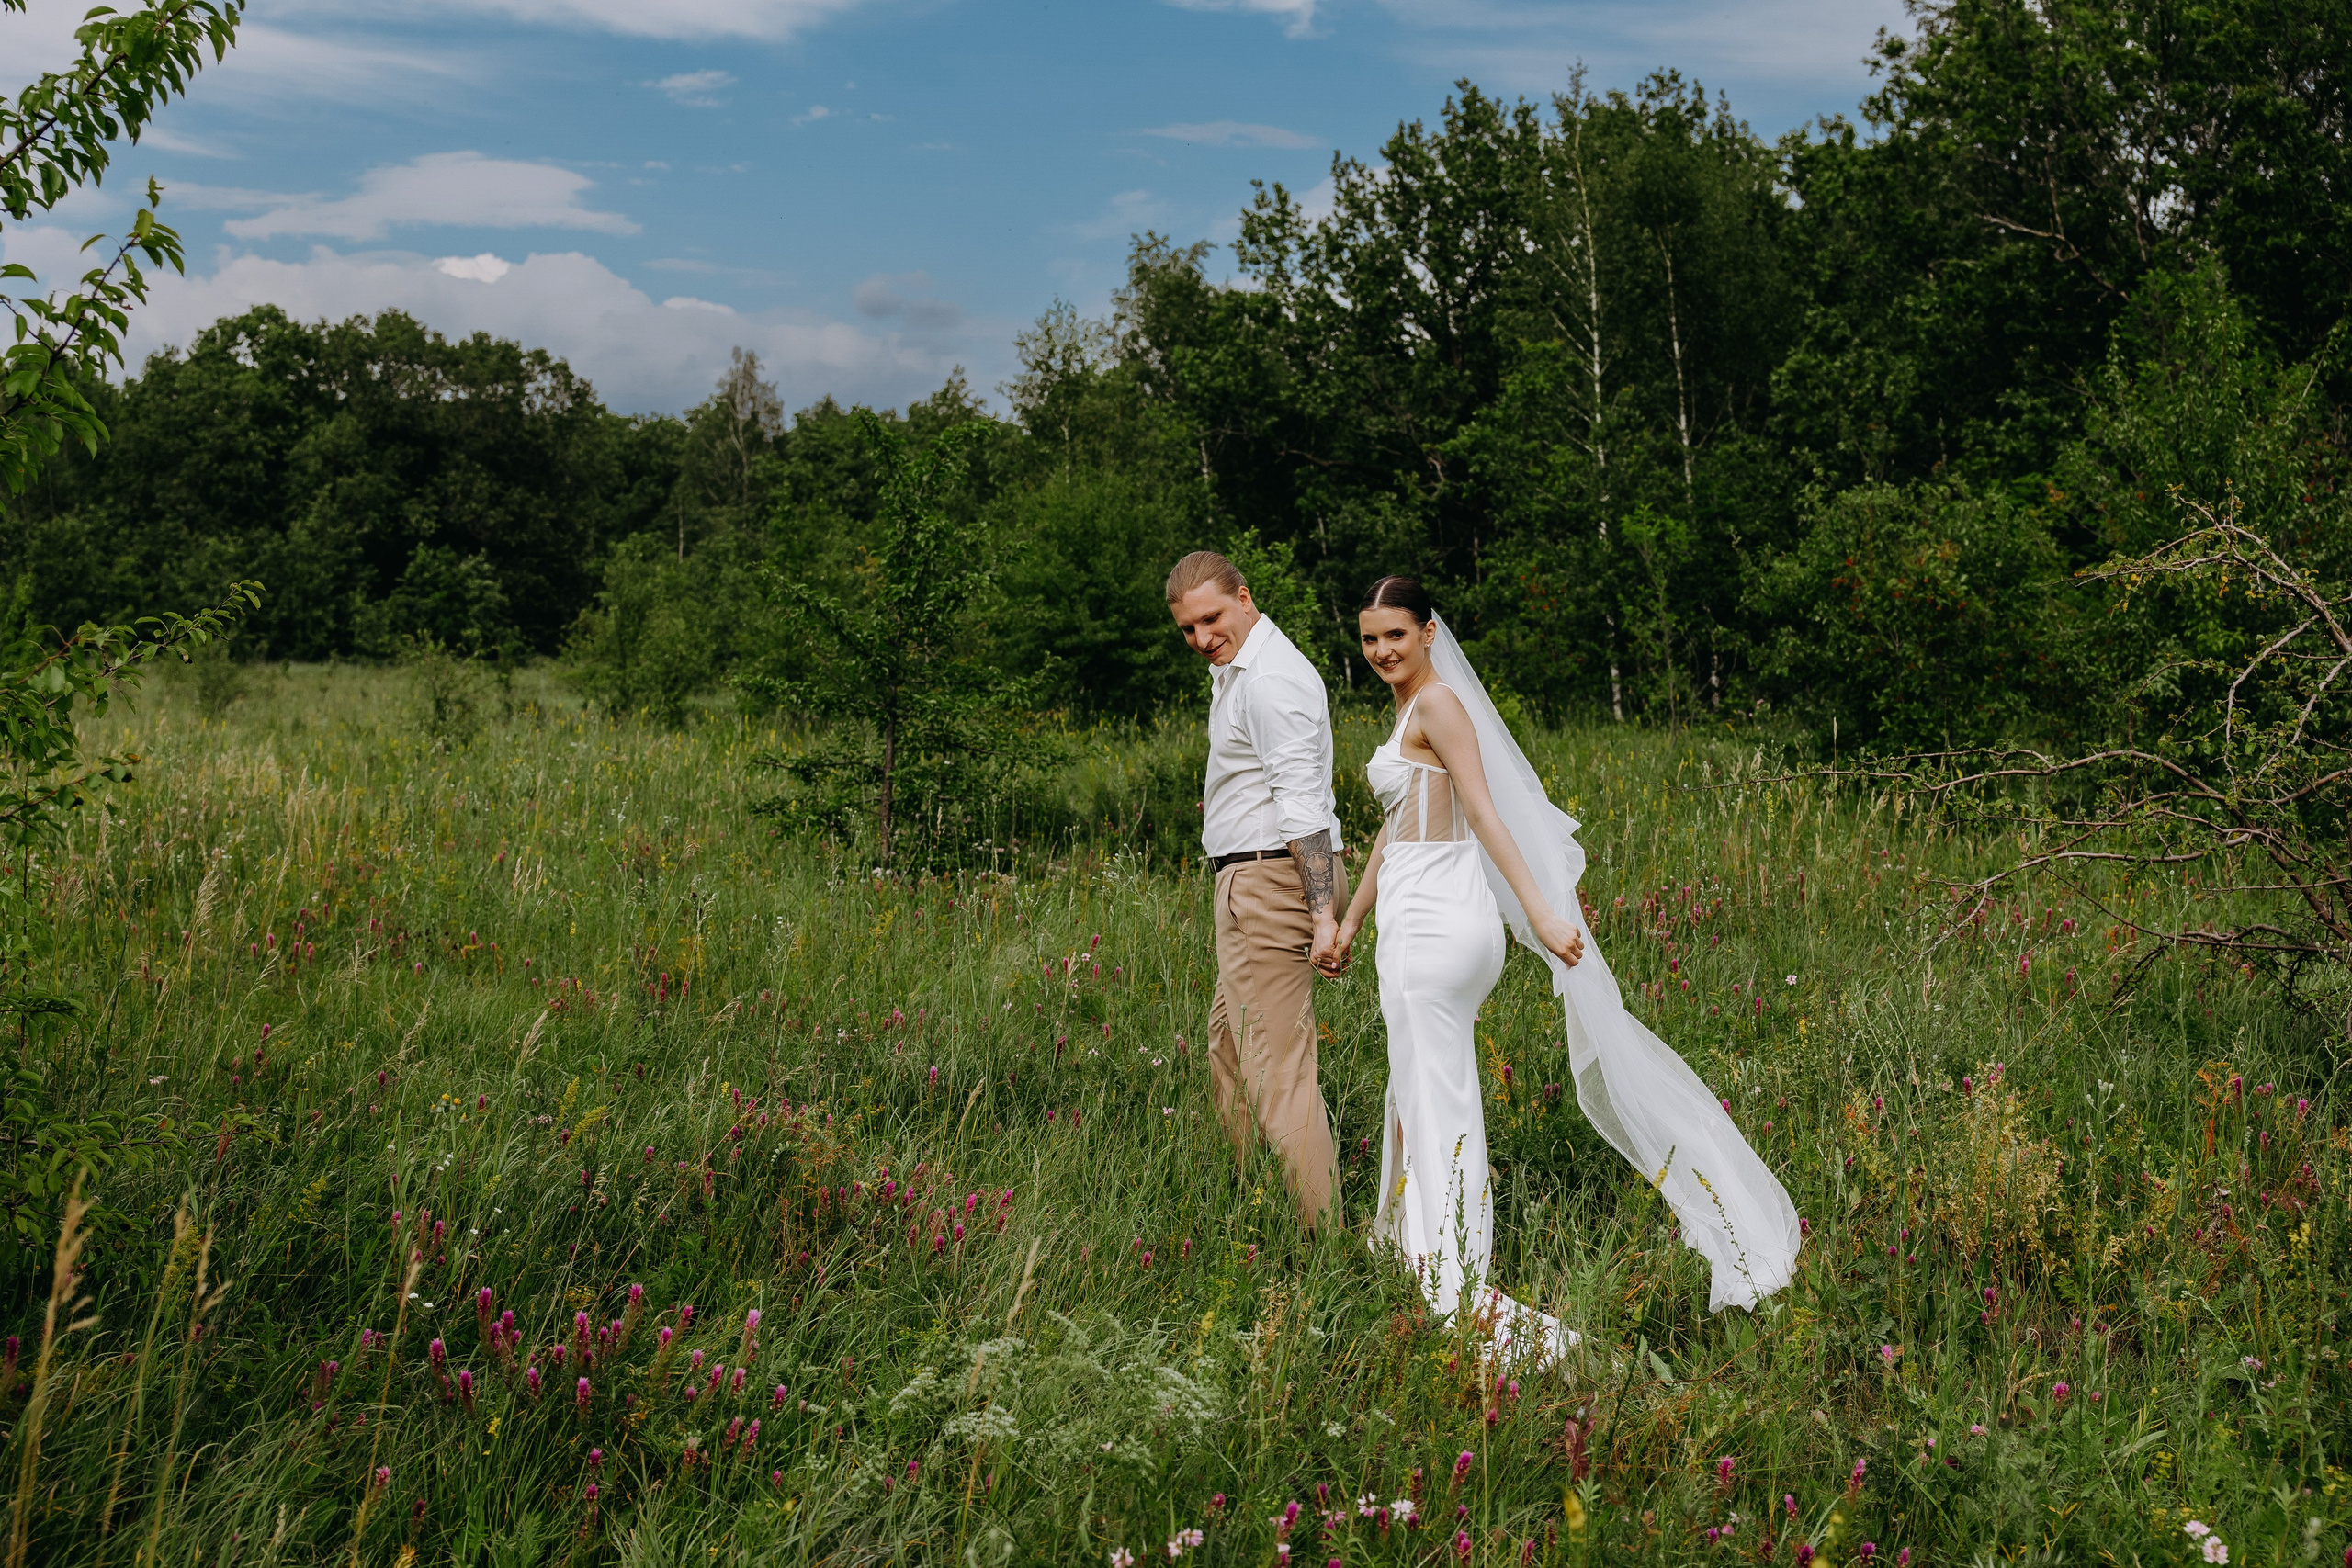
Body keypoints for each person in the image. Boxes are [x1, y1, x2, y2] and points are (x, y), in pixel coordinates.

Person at [1331, 576, 1800, 1358]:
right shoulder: (1413, 708)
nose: (1381, 651)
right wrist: (1350, 919)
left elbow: (1484, 811)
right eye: (1370, 639)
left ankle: (1453, 1280)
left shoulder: (1438, 704)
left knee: (1438, 1099)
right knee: (1424, 1086)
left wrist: (1545, 914)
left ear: (1429, 633)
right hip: (1426, 916)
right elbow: (1395, 825)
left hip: (1432, 926)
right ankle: (1423, 1249)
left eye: (1396, 635)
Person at [1168, 550, 1347, 1235]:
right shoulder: (1239, 670)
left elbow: (1301, 806)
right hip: (1252, 876)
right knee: (1228, 1047)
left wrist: (1322, 914)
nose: (1201, 637)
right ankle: (1257, 1211)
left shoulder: (1270, 679)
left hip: (1271, 880)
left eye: (1211, 618)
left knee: (1279, 1070)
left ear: (1245, 598)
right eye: (1188, 628)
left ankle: (1323, 1246)